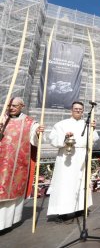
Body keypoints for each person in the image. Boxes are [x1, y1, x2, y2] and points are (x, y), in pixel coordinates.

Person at [47, 101, 99, 221]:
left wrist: (93, 129)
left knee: (81, 183)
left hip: (81, 157)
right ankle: (63, 211)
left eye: (80, 109)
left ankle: (80, 208)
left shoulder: (87, 124)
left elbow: (94, 139)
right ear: (71, 109)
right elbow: (53, 140)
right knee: (65, 184)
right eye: (76, 109)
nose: (78, 111)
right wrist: (65, 137)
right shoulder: (61, 124)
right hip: (67, 158)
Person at [0, 97, 44, 231]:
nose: (11, 108)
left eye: (14, 106)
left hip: (17, 165)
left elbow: (35, 138)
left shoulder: (29, 122)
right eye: (9, 105)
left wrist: (38, 132)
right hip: (1, 162)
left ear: (22, 106)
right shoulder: (2, 118)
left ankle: (6, 223)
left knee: (12, 195)